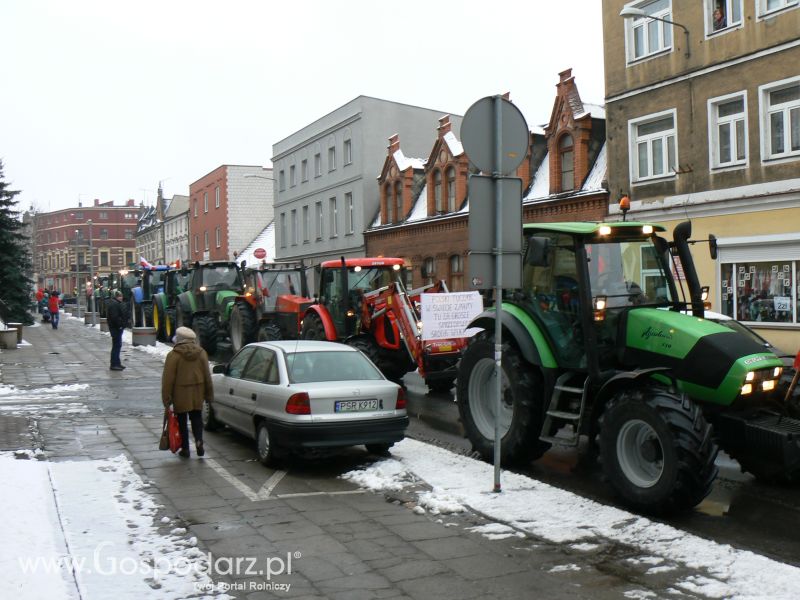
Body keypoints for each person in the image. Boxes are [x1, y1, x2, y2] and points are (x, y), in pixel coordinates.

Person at [161, 327, 213, 458]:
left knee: (181, 421)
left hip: (181, 393)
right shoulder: (201, 353)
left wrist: (166, 398)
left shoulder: (173, 355)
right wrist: (209, 394)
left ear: (179, 339)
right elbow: (207, 375)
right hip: (198, 392)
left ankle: (185, 449)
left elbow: (168, 379)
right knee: (196, 418)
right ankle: (199, 441)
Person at [106, 290, 127, 371]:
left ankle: (117, 363)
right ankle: (114, 364)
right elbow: (115, 317)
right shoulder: (114, 304)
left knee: (117, 346)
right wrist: (120, 325)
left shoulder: (115, 303)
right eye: (120, 296)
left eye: (121, 296)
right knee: (116, 346)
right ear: (117, 297)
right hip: (116, 329)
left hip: (115, 328)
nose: (121, 298)